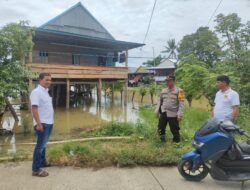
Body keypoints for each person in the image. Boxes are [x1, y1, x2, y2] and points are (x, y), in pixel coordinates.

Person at [30, 73, 54, 177]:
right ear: (40, 80)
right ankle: (35, 169)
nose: (49, 82)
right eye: (46, 80)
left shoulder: (46, 92)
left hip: (49, 122)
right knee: (40, 146)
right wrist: (39, 124)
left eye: (50, 80)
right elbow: (34, 109)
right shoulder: (36, 92)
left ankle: (43, 162)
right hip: (42, 123)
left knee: (44, 145)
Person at [155, 75, 185, 143]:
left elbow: (181, 104)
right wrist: (157, 111)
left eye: (169, 81)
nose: (167, 82)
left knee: (174, 129)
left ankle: (176, 143)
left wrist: (179, 114)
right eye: (167, 81)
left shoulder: (180, 91)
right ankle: (162, 141)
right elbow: (160, 101)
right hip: (164, 112)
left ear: (173, 81)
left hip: (173, 114)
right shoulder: (163, 90)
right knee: (161, 128)